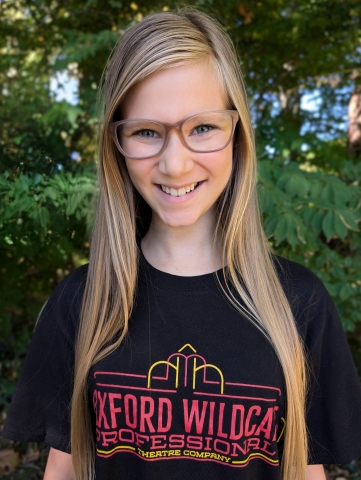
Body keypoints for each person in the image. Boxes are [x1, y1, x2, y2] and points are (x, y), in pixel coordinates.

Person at [2, 9, 361, 480]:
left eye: (203, 128)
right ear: (117, 143)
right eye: (146, 132)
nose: (174, 164)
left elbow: (304, 471)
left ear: (237, 133)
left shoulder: (299, 304)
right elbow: (64, 470)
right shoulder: (81, 302)